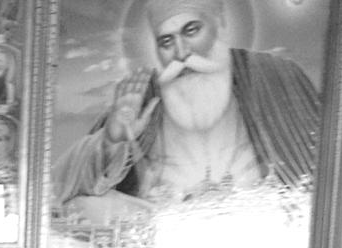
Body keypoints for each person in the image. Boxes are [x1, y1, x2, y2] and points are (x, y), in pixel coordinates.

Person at [54, 0, 321, 216]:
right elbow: (65, 189)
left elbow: (316, 173)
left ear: (222, 25)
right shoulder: (142, 98)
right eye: (166, 42)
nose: (181, 53)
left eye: (191, 30)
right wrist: (111, 140)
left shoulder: (274, 78)